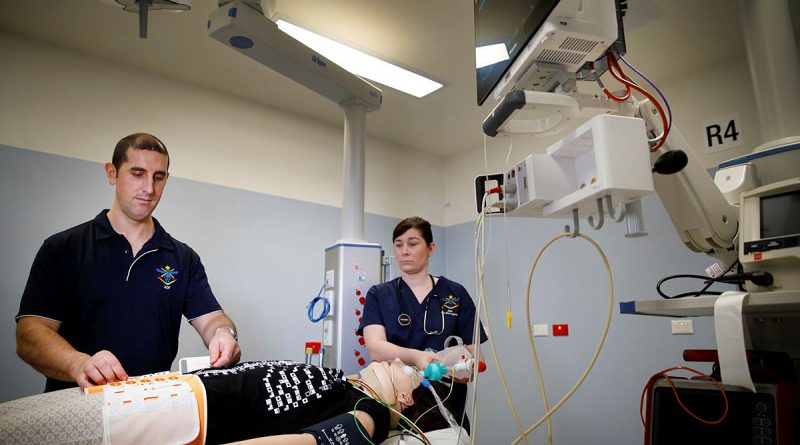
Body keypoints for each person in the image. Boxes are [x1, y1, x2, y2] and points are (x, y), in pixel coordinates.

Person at [15, 133, 241, 392]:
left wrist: (224, 333)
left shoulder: (183, 257)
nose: (149, 188)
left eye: (158, 177)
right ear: (112, 173)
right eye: (137, 173)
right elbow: (29, 334)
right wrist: (79, 364)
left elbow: (212, 319)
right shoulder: (63, 248)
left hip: (154, 406)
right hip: (78, 405)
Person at [0, 359, 427, 445]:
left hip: (184, 416)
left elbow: (306, 444)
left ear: (403, 398)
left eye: (399, 366)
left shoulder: (368, 411)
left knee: (27, 433)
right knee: (19, 418)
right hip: (175, 387)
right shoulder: (340, 378)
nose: (391, 358)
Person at [358, 216, 487, 431]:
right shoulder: (379, 295)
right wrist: (417, 357)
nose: (404, 251)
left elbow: (476, 357)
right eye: (399, 245)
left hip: (446, 408)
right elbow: (375, 348)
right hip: (394, 405)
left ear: (431, 248)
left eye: (413, 243)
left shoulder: (455, 294)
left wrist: (460, 367)